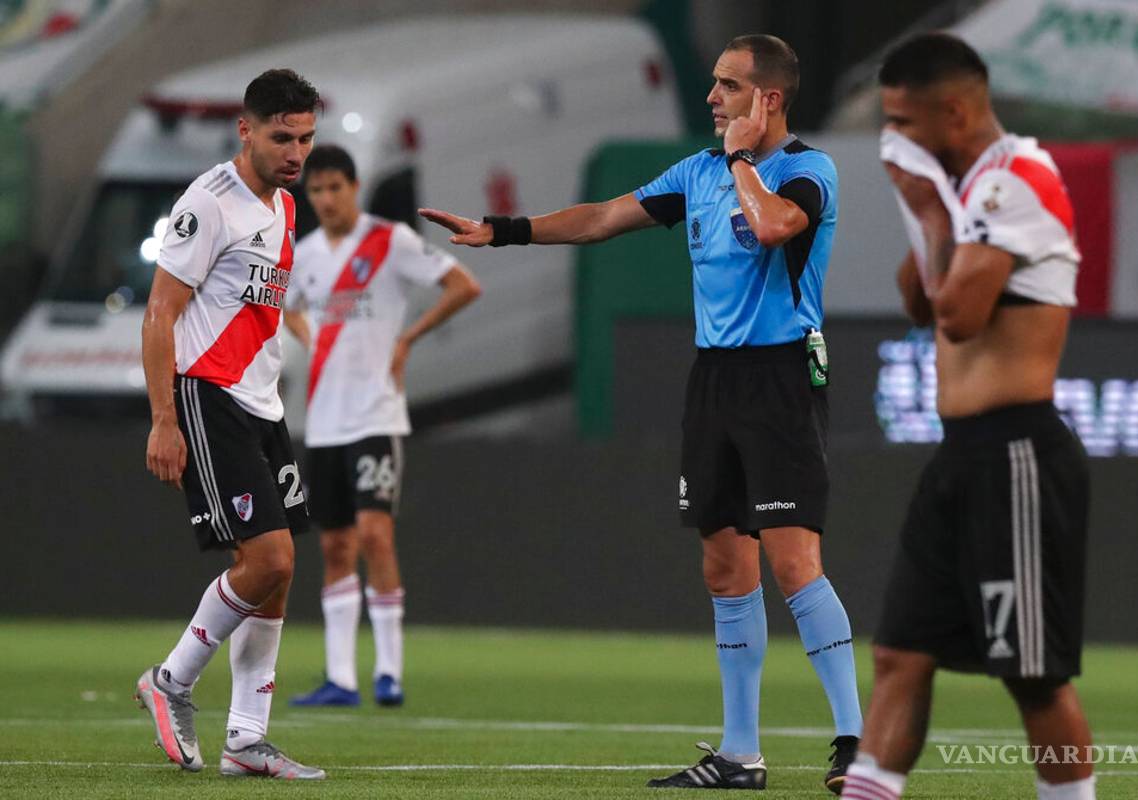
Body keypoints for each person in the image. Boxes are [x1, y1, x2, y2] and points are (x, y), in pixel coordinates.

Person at [420, 34, 862, 795]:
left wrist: (740, 158)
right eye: (716, 85)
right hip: (715, 382)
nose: (711, 98)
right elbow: (600, 219)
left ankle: (856, 742)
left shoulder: (806, 171)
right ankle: (739, 754)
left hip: (781, 378)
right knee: (726, 567)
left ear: (769, 99)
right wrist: (504, 231)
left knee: (794, 565)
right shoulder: (696, 172)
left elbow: (771, 228)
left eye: (728, 86)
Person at [841, 33, 1094, 800]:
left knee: (1032, 677)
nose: (895, 142)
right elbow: (917, 300)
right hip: (960, 454)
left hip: (1018, 451)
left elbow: (958, 313)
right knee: (900, 654)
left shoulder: (1018, 178)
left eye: (904, 123)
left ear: (954, 111)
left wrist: (924, 205)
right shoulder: (965, 187)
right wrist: (926, 214)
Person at [136, 68, 325, 780]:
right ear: (244, 129)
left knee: (279, 575)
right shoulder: (208, 203)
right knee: (268, 558)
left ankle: (247, 740)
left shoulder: (282, 205)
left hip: (260, 401)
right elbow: (160, 312)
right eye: (283, 136)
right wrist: (163, 418)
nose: (297, 152)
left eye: (306, 137)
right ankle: (172, 681)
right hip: (207, 395)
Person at [282, 144, 482, 708]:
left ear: (354, 186)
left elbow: (464, 284)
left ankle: (389, 670)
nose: (324, 199)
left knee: (375, 536)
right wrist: (310, 338)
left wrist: (408, 338)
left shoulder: (388, 240)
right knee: (338, 545)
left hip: (375, 413)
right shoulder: (307, 253)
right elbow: (287, 306)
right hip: (323, 419)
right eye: (315, 190)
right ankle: (341, 678)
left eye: (333, 188)